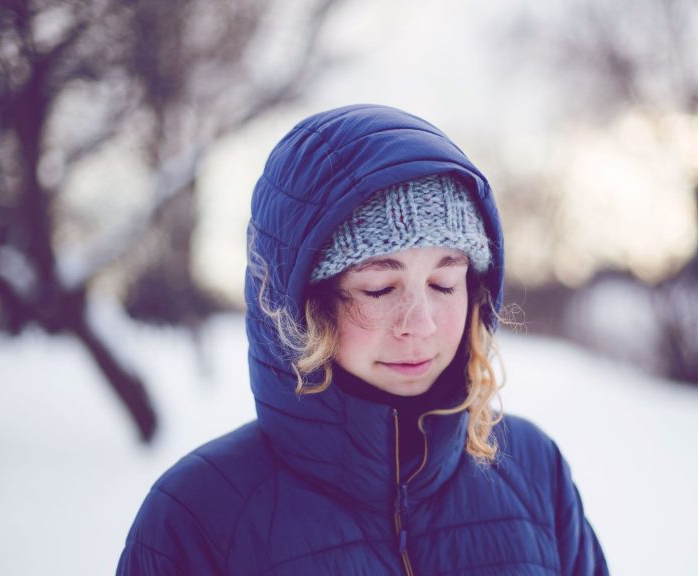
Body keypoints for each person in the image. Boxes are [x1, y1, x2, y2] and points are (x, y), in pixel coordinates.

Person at [116, 104, 609, 575]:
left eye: (444, 283)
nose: (420, 323)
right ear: (300, 308)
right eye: (379, 288)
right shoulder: (196, 520)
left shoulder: (533, 472)